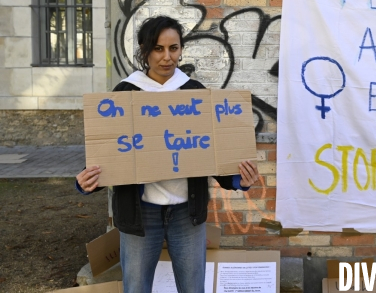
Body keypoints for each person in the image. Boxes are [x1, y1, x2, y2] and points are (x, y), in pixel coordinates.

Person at [76, 15, 260, 293]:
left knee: (192, 288)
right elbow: (109, 152)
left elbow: (208, 153)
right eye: (158, 49)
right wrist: (85, 183)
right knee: (136, 287)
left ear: (181, 49)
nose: (167, 57)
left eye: (173, 48)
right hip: (140, 215)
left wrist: (238, 181)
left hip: (187, 212)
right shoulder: (125, 93)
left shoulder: (195, 93)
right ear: (144, 50)